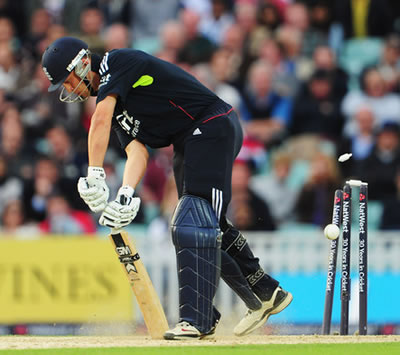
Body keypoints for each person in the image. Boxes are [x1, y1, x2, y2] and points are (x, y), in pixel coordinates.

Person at [41, 36, 292, 340]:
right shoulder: (115, 102)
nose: (67, 90)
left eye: (66, 82)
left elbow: (100, 120)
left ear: (82, 64)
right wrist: (125, 193)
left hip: (212, 125)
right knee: (204, 227)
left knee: (193, 222)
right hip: (190, 142)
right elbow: (137, 152)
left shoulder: (116, 64)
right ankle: (265, 292)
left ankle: (197, 319)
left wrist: (94, 172)